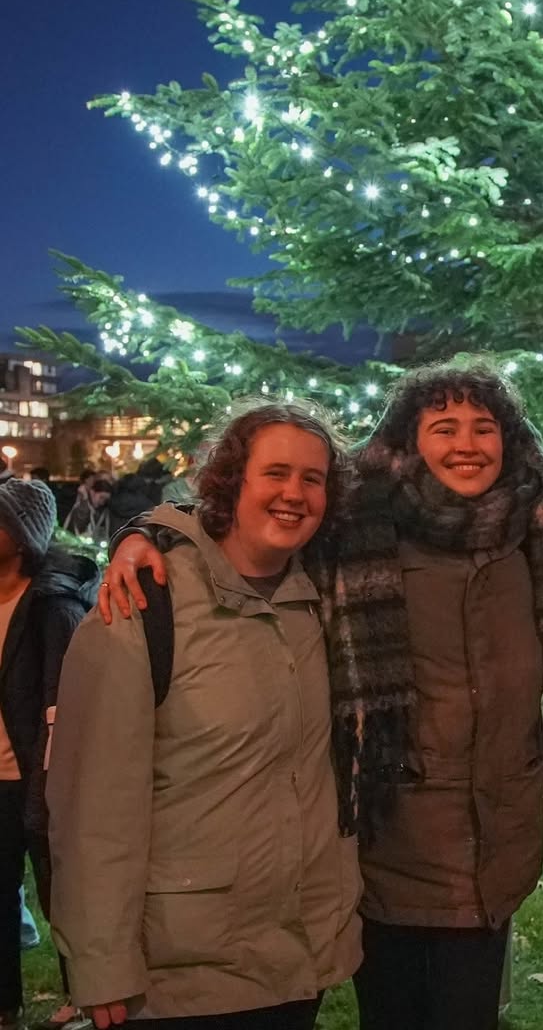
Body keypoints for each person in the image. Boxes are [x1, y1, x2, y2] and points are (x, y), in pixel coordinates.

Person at [96, 365, 543, 1030]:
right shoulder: (357, 521)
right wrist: (144, 528)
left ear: (510, 441)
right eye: (443, 428)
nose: (466, 444)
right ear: (408, 442)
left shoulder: (537, 527)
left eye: (484, 428)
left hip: (497, 850)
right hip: (388, 845)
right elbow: (239, 519)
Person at [47, 402, 364, 1030]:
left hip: (296, 958)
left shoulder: (324, 603)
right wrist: (101, 961)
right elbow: (92, 806)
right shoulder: (144, 605)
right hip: (183, 974)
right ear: (229, 481)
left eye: (313, 478)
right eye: (274, 473)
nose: (294, 494)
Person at [0, 479, 94, 1030]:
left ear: (22, 533)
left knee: (65, 895)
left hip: (39, 776)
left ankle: (84, 996)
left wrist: (50, 784)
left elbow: (64, 702)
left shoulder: (50, 607)